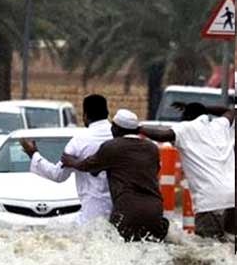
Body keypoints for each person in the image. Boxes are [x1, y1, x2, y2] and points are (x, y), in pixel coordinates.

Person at [61, 109, 169, 242]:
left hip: (128, 210)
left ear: (116, 128)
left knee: (121, 253)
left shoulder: (113, 147)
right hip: (155, 210)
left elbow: (88, 167)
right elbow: (154, 170)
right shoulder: (152, 147)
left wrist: (71, 161)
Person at [139, 102, 235, 242]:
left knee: (208, 248)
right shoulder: (220, 125)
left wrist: (136, 128)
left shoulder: (185, 128)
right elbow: (231, 110)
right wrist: (203, 107)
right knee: (231, 243)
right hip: (233, 196)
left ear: (187, 116)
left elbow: (161, 135)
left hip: (210, 199)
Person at [19, 94, 112, 225]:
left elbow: (58, 175)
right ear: (107, 113)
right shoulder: (119, 136)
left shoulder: (79, 141)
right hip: (121, 210)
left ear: (85, 115)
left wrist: (33, 154)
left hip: (92, 213)